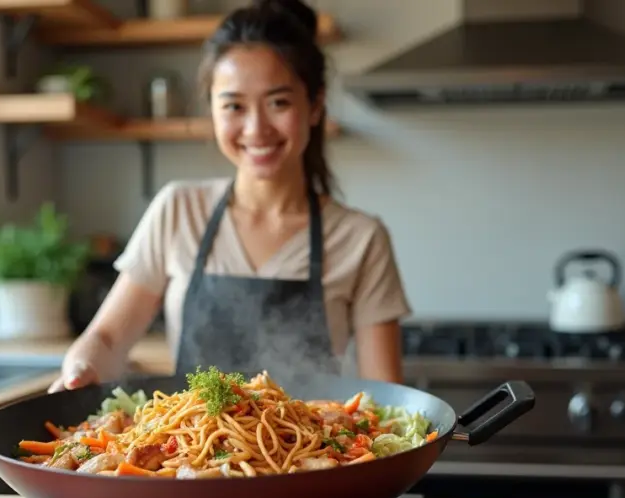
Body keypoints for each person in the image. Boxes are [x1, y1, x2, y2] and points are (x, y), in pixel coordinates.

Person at [48, 0, 411, 393]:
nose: (256, 129)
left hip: (314, 452)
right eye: (234, 106)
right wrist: (80, 367)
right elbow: (108, 340)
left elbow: (386, 398)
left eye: (279, 102)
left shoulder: (361, 238)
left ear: (315, 106)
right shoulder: (178, 210)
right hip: (185, 452)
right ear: (213, 111)